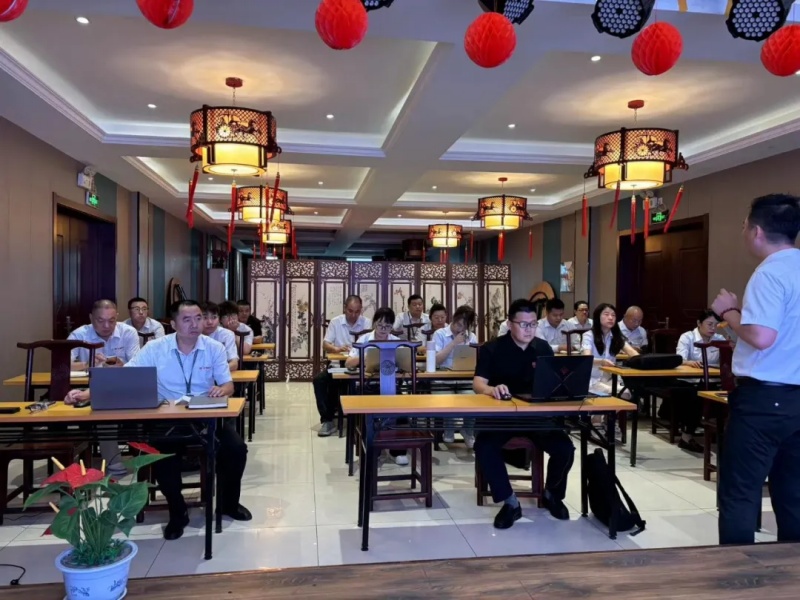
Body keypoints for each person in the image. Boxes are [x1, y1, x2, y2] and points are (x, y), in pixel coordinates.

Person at [65, 300, 251, 541]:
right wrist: (87, 394)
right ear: (173, 324)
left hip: (206, 414)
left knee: (236, 449)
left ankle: (228, 504)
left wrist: (221, 390)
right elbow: (126, 375)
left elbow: (228, 384)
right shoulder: (156, 348)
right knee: (164, 457)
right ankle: (177, 512)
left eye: (198, 318)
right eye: (187, 319)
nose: (195, 324)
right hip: (167, 416)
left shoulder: (213, 347)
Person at [710, 193, 800, 545]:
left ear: (757, 231)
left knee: (740, 493)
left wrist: (729, 312)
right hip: (796, 400)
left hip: (764, 401)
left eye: (745, 226)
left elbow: (762, 337)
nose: (743, 232)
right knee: (793, 494)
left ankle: (739, 571)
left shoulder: (769, 273)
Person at [473, 299, 575, 529]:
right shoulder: (492, 348)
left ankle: (552, 494)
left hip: (536, 416)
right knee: (484, 446)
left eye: (533, 324)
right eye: (524, 324)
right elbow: (478, 383)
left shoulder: (542, 348)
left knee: (565, 448)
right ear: (510, 324)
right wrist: (492, 389)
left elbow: (553, 381)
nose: (529, 330)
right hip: (502, 417)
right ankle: (510, 502)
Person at [346, 307, 409, 466]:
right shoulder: (364, 339)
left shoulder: (396, 341)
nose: (383, 329)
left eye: (387, 326)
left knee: (402, 410)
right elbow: (349, 363)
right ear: (374, 323)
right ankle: (373, 449)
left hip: (392, 385)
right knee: (370, 413)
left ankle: (398, 451)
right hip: (369, 385)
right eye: (380, 325)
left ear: (392, 326)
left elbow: (406, 364)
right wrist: (366, 356)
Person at [661, 309, 728, 453]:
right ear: (699, 323)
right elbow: (679, 359)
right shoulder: (688, 337)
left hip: (712, 380)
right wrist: (688, 362)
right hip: (688, 380)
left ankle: (718, 432)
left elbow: (726, 361)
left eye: (715, 325)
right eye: (709, 324)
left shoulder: (719, 339)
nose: (713, 328)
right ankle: (686, 437)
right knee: (694, 396)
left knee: (727, 396)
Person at [315, 295, 371, 437]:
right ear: (344, 309)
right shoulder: (336, 322)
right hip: (338, 365)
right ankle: (327, 420)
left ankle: (366, 417)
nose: (353, 315)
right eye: (350, 311)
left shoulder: (367, 323)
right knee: (320, 380)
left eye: (357, 312)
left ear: (361, 310)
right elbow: (325, 344)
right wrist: (336, 349)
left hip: (360, 366)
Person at [432, 305, 478, 447]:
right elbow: (436, 361)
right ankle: (449, 429)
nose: (461, 329)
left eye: (465, 326)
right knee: (447, 399)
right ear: (454, 319)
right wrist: (454, 343)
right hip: (443, 377)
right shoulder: (440, 334)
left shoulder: (471, 336)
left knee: (474, 400)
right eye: (459, 325)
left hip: (465, 377)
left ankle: (468, 431)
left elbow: (476, 359)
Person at [581, 303, 639, 396]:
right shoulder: (588, 335)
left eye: (613, 315)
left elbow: (632, 352)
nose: (611, 318)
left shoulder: (616, 336)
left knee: (630, 392)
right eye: (606, 314)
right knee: (623, 393)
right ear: (598, 316)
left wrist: (642, 361)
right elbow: (587, 358)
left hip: (610, 379)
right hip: (592, 380)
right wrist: (602, 362)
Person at [69, 299, 140, 369]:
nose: (106, 326)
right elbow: (63, 365)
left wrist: (123, 366)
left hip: (122, 375)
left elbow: (138, 364)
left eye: (111, 321)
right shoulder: (79, 335)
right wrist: (88, 364)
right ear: (91, 318)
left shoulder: (128, 332)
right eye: (100, 321)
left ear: (116, 317)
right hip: (92, 376)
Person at [201, 301, 239, 371]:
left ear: (219, 320)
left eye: (214, 317)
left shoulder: (227, 335)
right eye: (205, 317)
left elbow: (234, 364)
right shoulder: (191, 335)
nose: (210, 322)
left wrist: (211, 371)